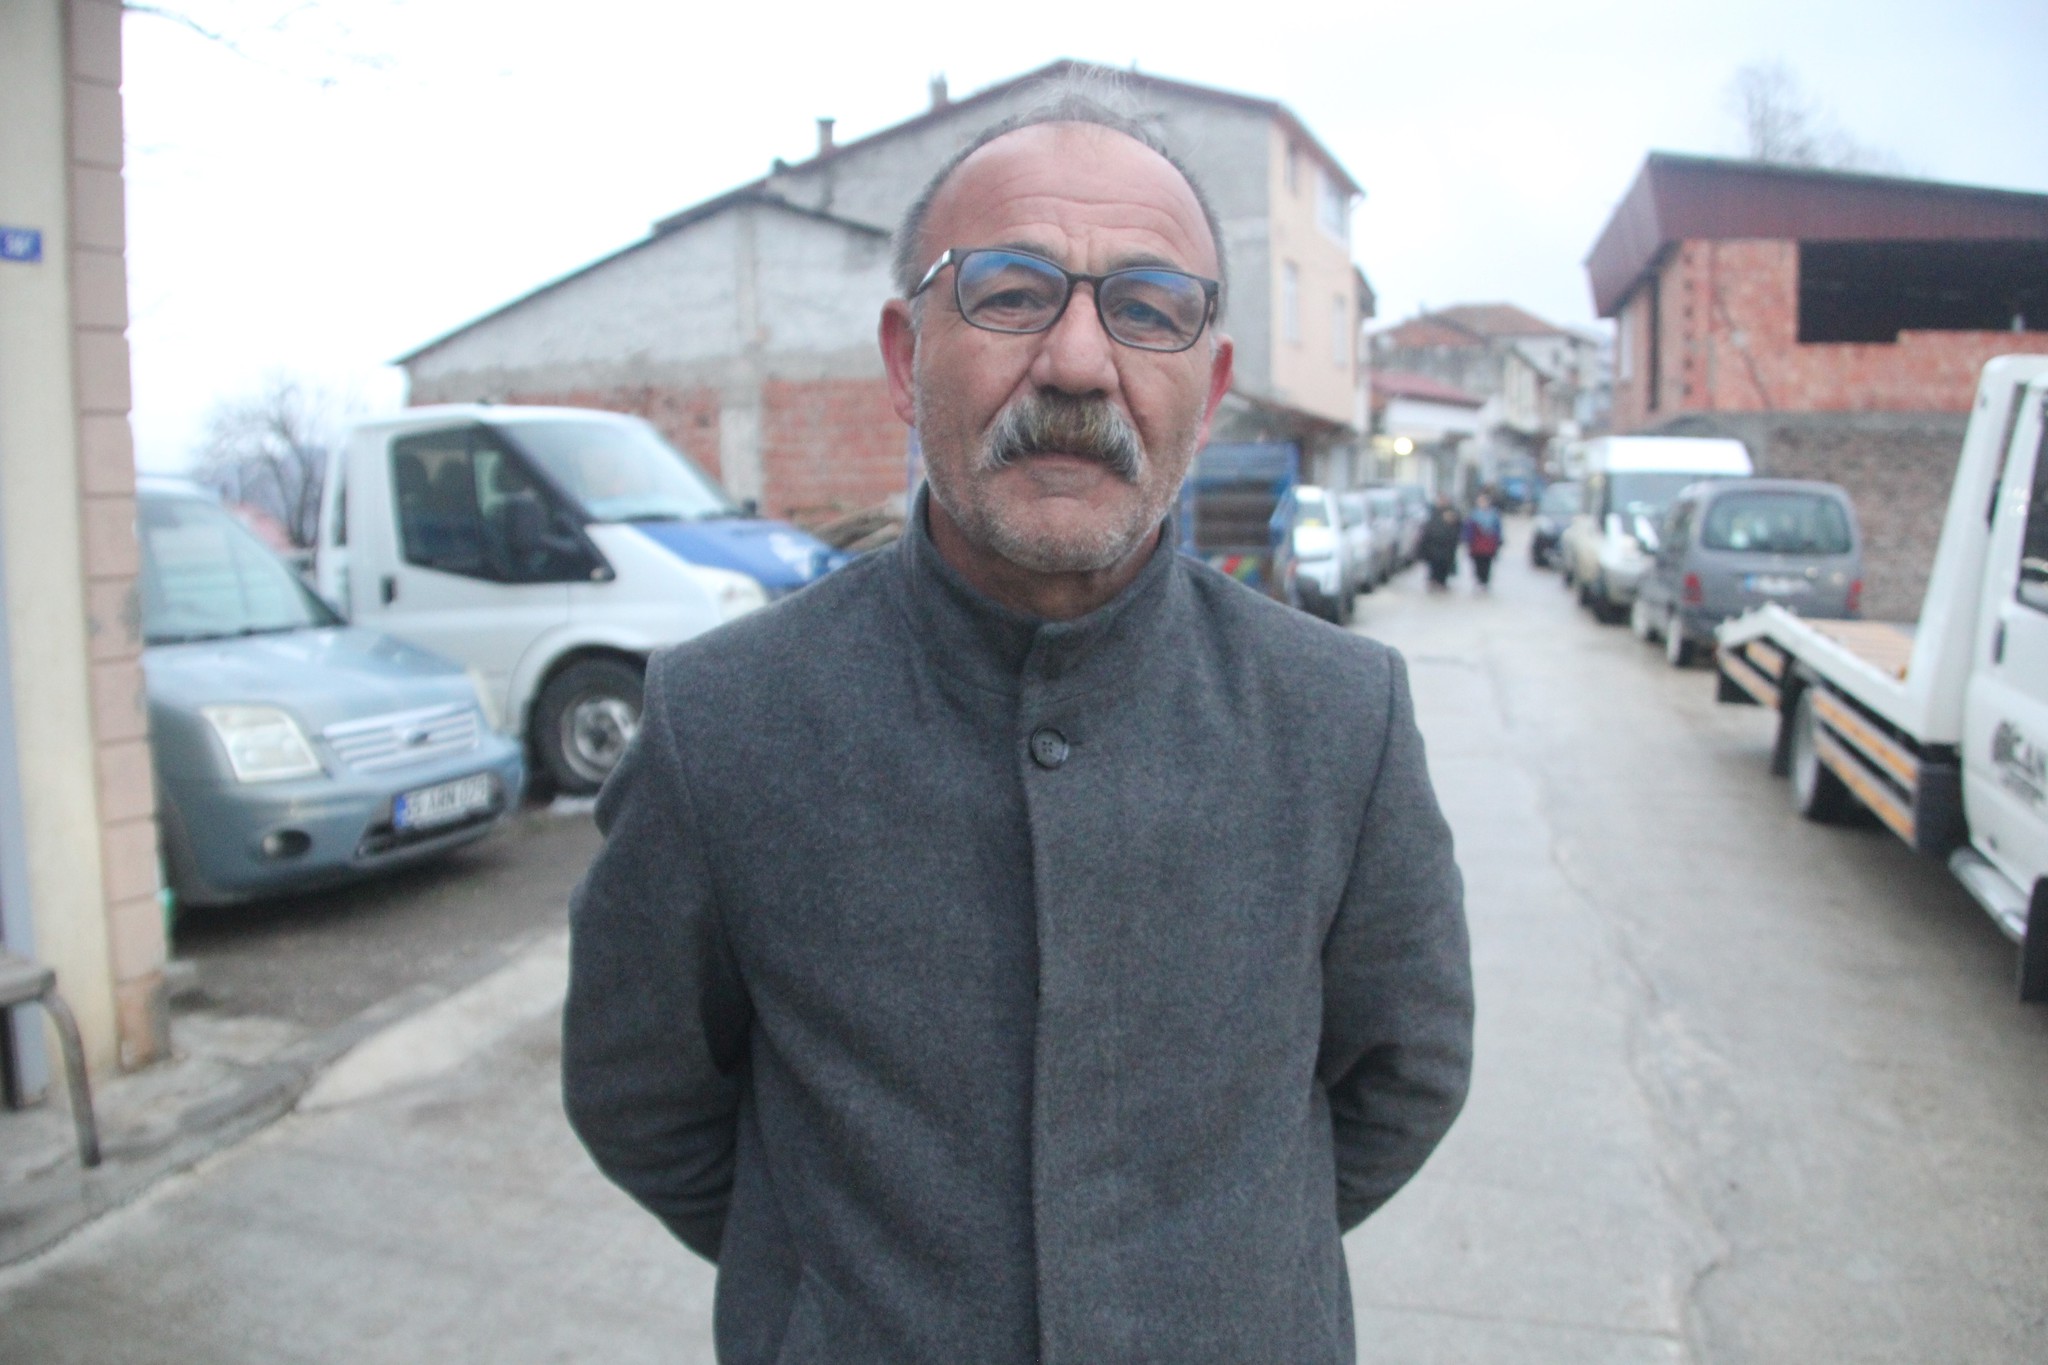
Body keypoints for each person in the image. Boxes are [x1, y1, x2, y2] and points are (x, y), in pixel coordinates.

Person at [561, 86, 1473, 1365]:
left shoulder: (1338, 720)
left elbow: (1404, 1079)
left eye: (1146, 309)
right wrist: (826, 1287)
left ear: (1208, 387)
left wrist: (1221, 1275)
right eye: (1008, 292)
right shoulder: (723, 724)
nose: (1078, 363)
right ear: (904, 358)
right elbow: (640, 1094)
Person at [1419, 495, 1462, 590]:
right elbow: (1427, 528)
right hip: (1433, 545)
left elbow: (1458, 528)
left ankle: (1441, 582)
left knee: (1444, 565)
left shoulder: (1452, 512)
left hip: (1446, 546)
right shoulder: (1433, 512)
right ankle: (1434, 580)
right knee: (1433, 564)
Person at [1463, 490, 1504, 589]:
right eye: (1480, 501)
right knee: (1477, 562)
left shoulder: (1494, 515)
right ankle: (1478, 580)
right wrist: (1467, 540)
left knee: (1487, 563)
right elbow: (1468, 529)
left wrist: (1499, 541)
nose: (1482, 503)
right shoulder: (1473, 514)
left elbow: (1498, 529)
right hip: (1476, 544)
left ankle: (1485, 581)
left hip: (1489, 544)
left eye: (1484, 501)